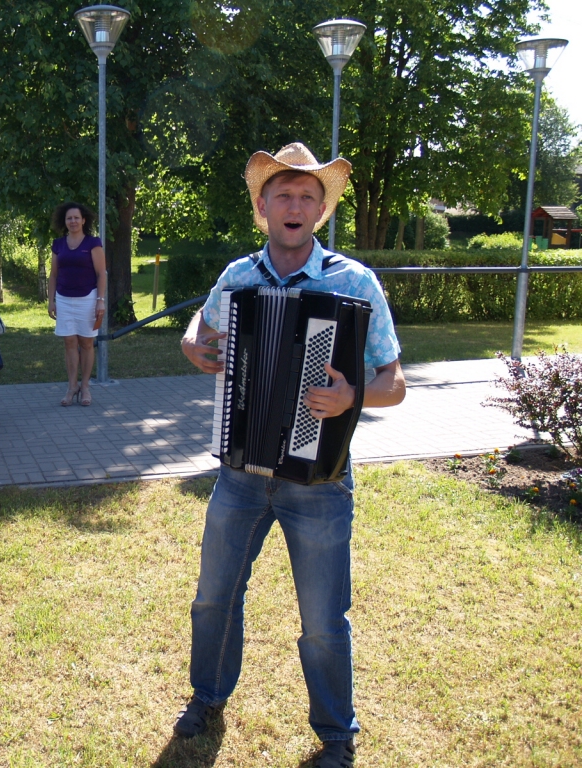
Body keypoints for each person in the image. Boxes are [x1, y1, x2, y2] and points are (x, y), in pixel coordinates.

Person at [175, 143, 406, 767]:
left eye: (308, 196)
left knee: (324, 618)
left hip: (319, 482)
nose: (296, 205)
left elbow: (396, 381)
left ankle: (336, 734)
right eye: (284, 195)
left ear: (321, 209)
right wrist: (191, 342)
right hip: (240, 471)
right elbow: (200, 327)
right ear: (263, 207)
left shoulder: (354, 282)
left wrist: (354, 396)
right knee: (213, 597)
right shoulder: (238, 277)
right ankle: (207, 696)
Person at [47, 201, 106, 407]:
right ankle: (72, 386)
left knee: (87, 343)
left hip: (88, 299)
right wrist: (51, 300)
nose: (73, 221)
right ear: (65, 221)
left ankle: (86, 386)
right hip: (63, 299)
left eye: (76, 218)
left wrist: (100, 300)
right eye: (69, 218)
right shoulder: (58, 244)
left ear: (83, 220)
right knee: (69, 343)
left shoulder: (93, 243)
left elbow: (101, 273)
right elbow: (53, 274)